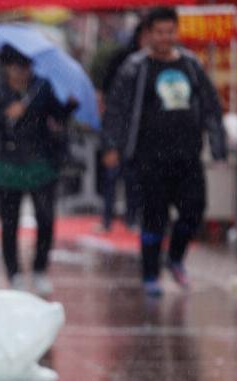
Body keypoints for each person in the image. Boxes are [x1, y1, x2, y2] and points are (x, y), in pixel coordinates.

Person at [101, 6, 227, 297]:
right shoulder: (135, 68)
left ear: (176, 32)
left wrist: (218, 148)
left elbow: (211, 107)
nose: (164, 38)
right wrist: (111, 145)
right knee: (154, 217)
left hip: (187, 155)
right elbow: (117, 110)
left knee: (194, 210)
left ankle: (175, 259)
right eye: (158, 32)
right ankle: (150, 274)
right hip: (149, 158)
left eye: (169, 32)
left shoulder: (191, 66)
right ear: (149, 34)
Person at [0, 45, 77, 296]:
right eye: (16, 67)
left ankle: (40, 268)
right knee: (9, 222)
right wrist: (6, 115)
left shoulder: (41, 88)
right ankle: (13, 272)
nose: (21, 73)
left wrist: (70, 106)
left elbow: (58, 115)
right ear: (6, 67)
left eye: (26, 67)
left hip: (41, 161)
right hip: (9, 164)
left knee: (45, 218)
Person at [95, 17, 150, 231]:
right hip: (119, 125)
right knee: (111, 173)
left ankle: (132, 217)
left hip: (141, 129)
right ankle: (107, 217)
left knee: (133, 177)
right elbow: (109, 97)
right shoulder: (123, 60)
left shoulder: (157, 63)